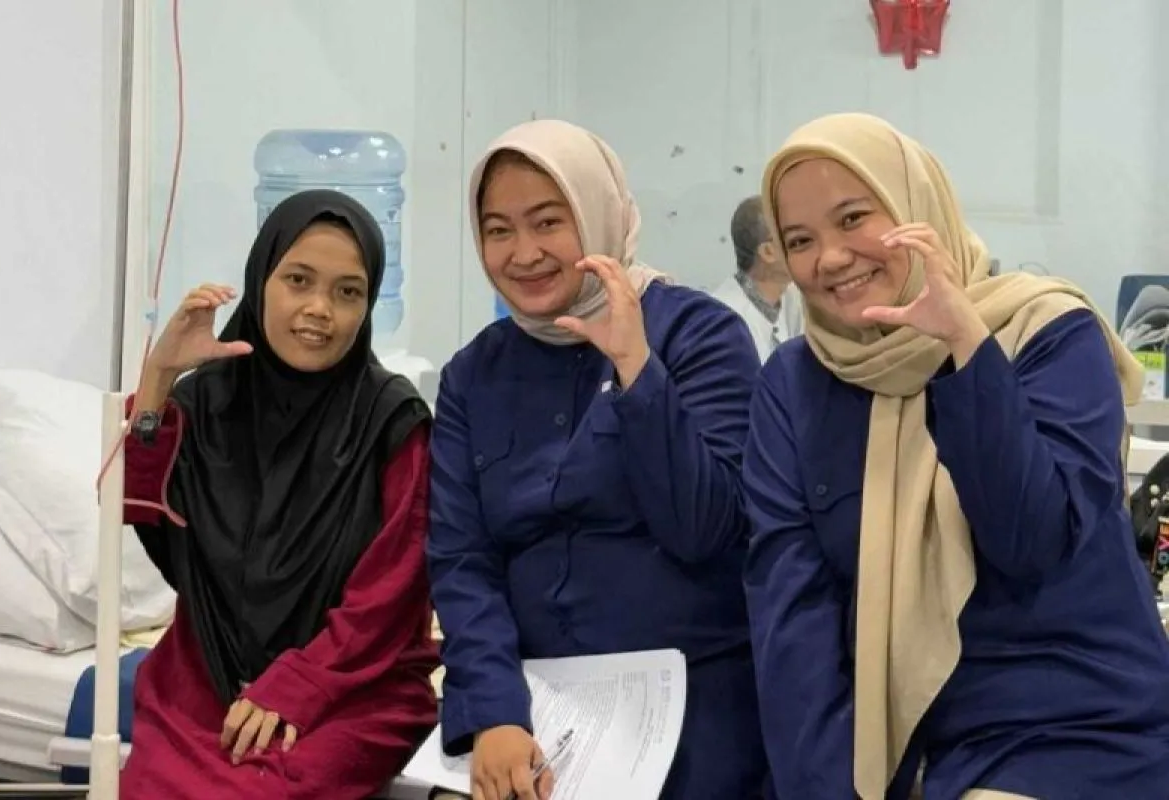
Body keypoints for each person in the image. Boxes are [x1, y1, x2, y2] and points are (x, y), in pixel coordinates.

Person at [743, 111, 1169, 799]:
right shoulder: (793, 384)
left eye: (853, 218)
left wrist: (966, 349)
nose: (830, 257)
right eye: (800, 240)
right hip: (899, 742)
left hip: (1065, 727)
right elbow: (792, 611)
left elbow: (1032, 541)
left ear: (918, 206)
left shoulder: (1048, 332)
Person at [427, 119, 768, 800]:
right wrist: (494, 711)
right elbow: (463, 559)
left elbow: (706, 529)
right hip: (537, 705)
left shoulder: (698, 334)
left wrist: (637, 369)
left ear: (599, 215)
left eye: (548, 222)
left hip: (689, 702)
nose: (524, 253)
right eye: (498, 230)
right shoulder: (473, 374)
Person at [118, 190, 439, 799]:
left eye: (348, 292)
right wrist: (159, 376)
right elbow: (138, 510)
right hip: (204, 681)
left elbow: (390, 600)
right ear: (261, 279)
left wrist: (298, 684)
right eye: (298, 280)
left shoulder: (391, 423)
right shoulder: (205, 403)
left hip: (352, 687)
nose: (320, 308)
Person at [712, 195, 805, 362]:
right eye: (794, 238)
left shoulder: (795, 296)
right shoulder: (721, 319)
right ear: (768, 252)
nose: (806, 245)